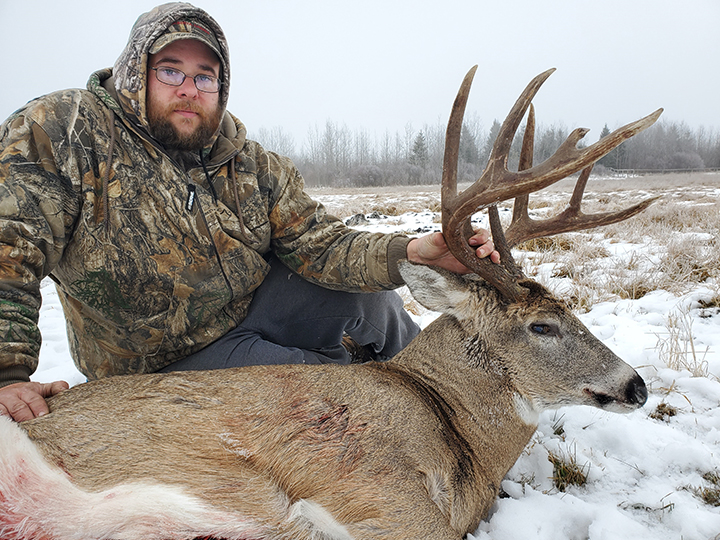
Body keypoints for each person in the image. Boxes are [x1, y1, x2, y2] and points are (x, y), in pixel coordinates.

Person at [0, 3, 498, 422]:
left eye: (205, 77)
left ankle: (455, 403)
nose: (189, 89)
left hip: (249, 307)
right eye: (170, 70)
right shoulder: (65, 131)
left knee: (375, 305)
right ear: (135, 72)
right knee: (331, 391)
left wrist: (415, 252)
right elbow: (9, 249)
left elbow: (322, 245)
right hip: (159, 361)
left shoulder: (250, 163)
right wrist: (7, 374)